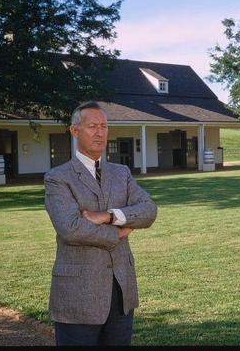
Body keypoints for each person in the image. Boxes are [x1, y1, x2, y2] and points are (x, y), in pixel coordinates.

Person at [44, 101, 157, 345]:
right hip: (78, 294)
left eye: (104, 126)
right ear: (75, 131)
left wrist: (109, 216)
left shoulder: (121, 173)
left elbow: (148, 210)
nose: (100, 132)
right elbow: (70, 228)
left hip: (121, 293)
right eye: (92, 126)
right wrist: (118, 233)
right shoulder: (57, 178)